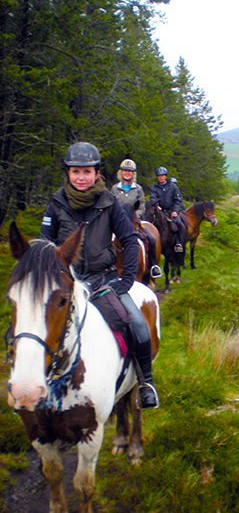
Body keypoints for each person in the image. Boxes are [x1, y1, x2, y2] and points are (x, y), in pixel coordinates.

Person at [40, 142, 159, 409]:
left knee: (137, 325)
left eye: (87, 172)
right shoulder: (56, 204)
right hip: (65, 282)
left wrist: (126, 280)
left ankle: (145, 382)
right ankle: (30, 383)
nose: (81, 177)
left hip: (100, 280)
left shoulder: (110, 203)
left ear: (97, 173)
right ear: (68, 174)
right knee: (32, 325)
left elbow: (129, 241)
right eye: (75, 172)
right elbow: (45, 245)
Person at [112, 159, 162, 279]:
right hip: (118, 223)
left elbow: (142, 206)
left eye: (130, 171)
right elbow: (111, 205)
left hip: (134, 221)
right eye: (125, 170)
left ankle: (153, 267)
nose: (127, 173)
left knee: (151, 238)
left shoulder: (138, 189)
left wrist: (135, 217)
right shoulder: (115, 189)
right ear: (121, 172)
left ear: (133, 173)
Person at [150, 167, 185, 252]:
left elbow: (178, 200)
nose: (161, 177)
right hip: (159, 211)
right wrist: (156, 206)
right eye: (159, 176)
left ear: (165, 176)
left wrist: (175, 211)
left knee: (179, 223)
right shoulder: (154, 188)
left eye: (162, 176)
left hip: (171, 210)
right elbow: (153, 199)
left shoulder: (173, 187)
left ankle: (179, 243)